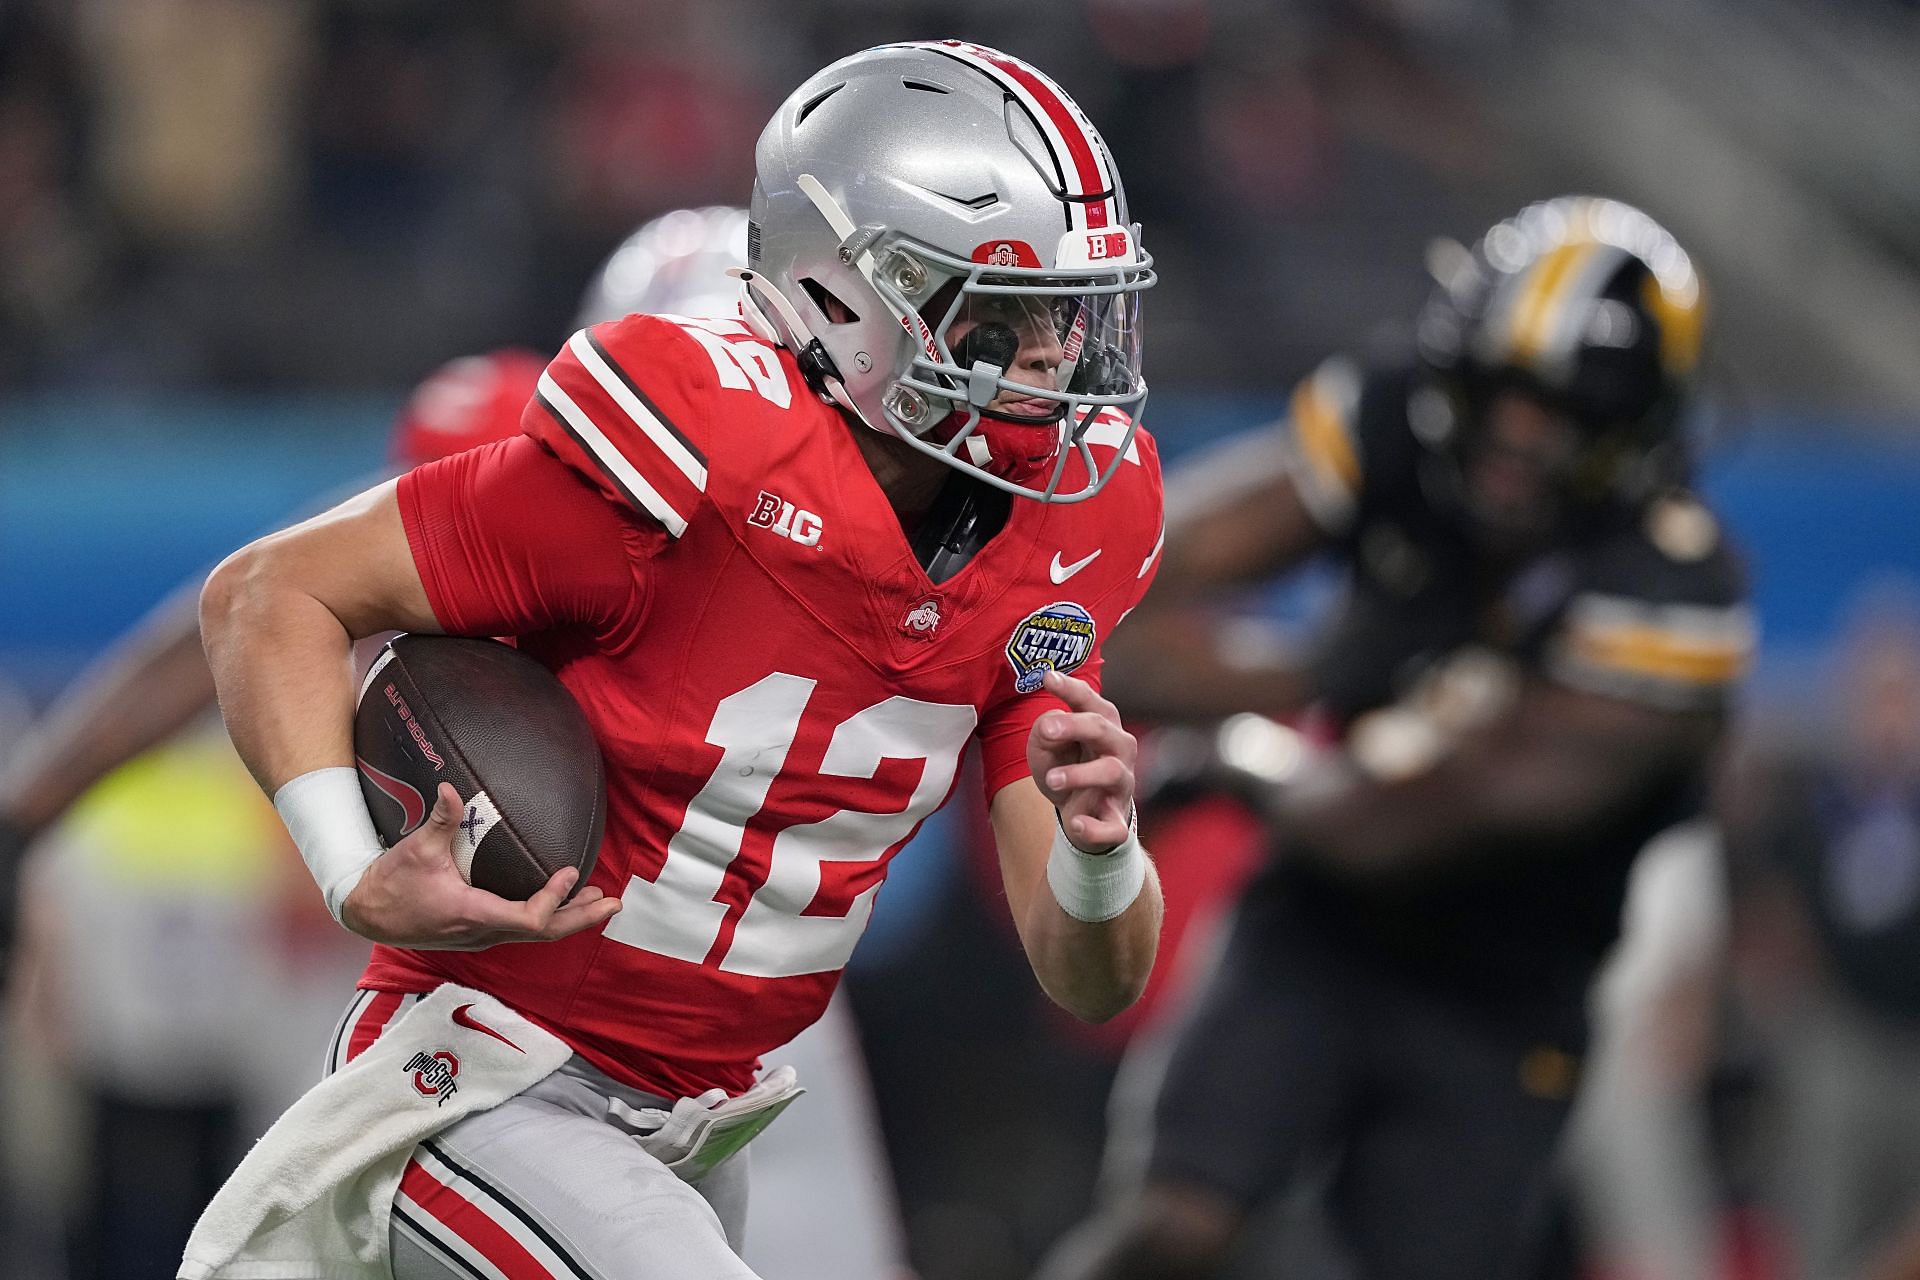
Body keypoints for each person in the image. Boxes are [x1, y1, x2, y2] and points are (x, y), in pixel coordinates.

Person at [196, 40, 1166, 1280]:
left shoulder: (1073, 522)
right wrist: (348, 870)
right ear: (846, 296)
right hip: (489, 1072)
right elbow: (266, 594)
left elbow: (1090, 979)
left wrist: (1098, 855)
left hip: (711, 1118)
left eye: (1069, 317)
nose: (1057, 363)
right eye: (1005, 315)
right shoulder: (698, 449)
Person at [1036, 196, 1754, 1280]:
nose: (1515, 438)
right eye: (1500, 394)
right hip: (1319, 929)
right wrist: (1290, 674)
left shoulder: (1674, 598)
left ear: (1632, 429)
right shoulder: (1394, 415)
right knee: (1174, 1228)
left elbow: (1391, 821)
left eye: (1557, 411)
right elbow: (1122, 572)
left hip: (1505, 991)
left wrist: (1233, 744)